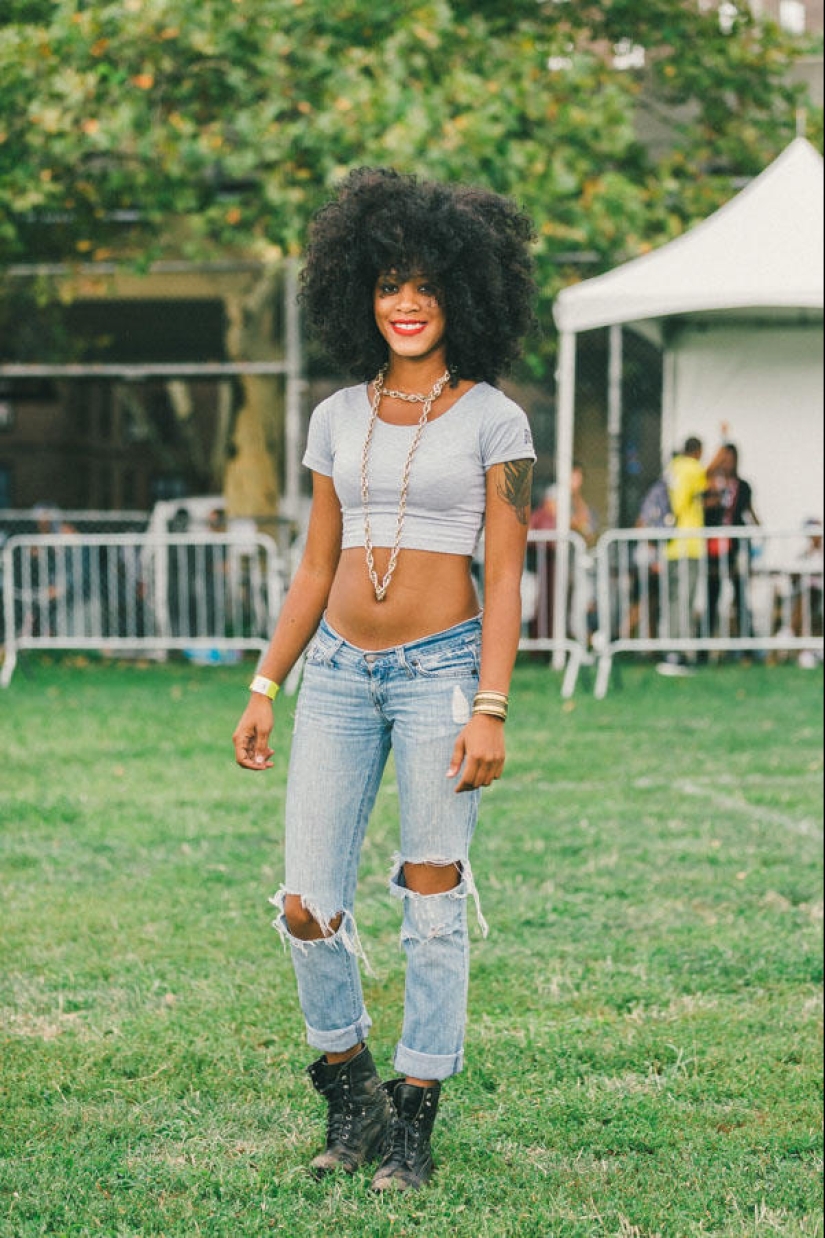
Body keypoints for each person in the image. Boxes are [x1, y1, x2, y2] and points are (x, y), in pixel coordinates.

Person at [231, 167, 536, 1192]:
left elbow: (506, 575)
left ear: (464, 295)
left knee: (432, 897)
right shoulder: (334, 416)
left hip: (441, 674)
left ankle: (414, 1114)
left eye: (426, 286)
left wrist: (490, 705)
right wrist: (266, 683)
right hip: (335, 675)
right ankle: (348, 1080)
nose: (405, 303)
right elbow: (315, 563)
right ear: (358, 293)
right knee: (304, 901)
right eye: (387, 284)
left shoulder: (496, 422)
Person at [658, 435, 725, 675]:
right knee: (685, 602)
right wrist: (723, 439)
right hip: (689, 544)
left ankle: (670, 650)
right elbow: (709, 472)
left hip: (671, 545)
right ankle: (680, 654)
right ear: (697, 452)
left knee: (674, 601)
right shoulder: (691, 468)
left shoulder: (673, 468)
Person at [703, 440, 759, 642]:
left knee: (740, 594)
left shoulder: (742, 486)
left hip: (735, 547)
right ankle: (705, 645)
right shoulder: (710, 484)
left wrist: (760, 533)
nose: (726, 463)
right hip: (713, 548)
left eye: (730, 459)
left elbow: (749, 511)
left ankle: (746, 642)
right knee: (712, 594)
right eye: (723, 459)